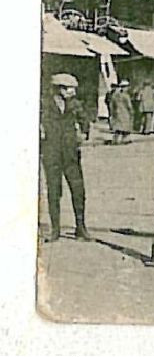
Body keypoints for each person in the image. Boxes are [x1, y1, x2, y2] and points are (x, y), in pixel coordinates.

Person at [40, 73, 90, 242]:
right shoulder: (44, 104)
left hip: (71, 154)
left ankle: (81, 227)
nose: (73, 92)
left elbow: (85, 121)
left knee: (78, 190)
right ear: (58, 89)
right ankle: (55, 229)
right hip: (51, 153)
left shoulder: (75, 105)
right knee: (54, 191)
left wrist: (83, 134)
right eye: (69, 88)